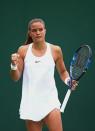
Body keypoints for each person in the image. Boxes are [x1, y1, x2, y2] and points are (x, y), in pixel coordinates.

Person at [10, 18, 78, 131]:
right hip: (30, 104)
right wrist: (13, 66)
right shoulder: (22, 50)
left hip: (50, 102)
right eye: (34, 30)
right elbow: (15, 77)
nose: (38, 32)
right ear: (30, 33)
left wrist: (68, 81)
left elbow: (62, 72)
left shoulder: (55, 50)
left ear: (45, 31)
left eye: (40, 29)